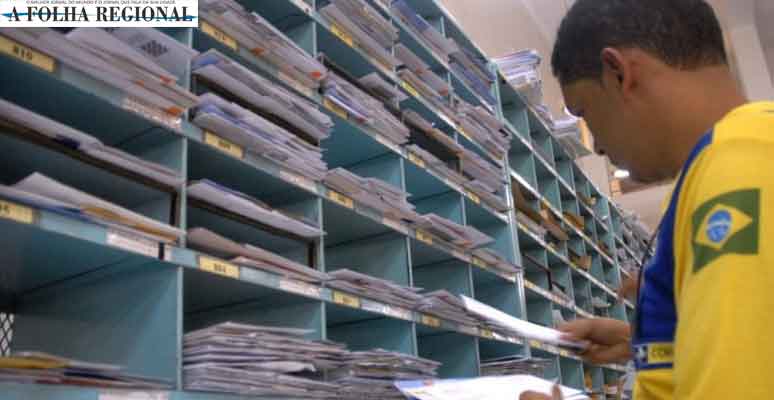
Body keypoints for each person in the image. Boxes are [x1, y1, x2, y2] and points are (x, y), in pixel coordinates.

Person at [520, 0, 774, 399]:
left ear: (619, 73)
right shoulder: (728, 161)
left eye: (585, 112)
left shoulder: (736, 170)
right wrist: (652, 341)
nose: (597, 146)